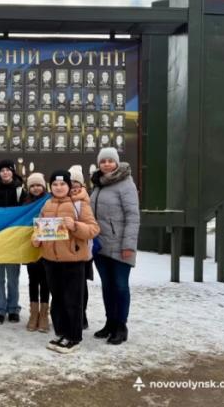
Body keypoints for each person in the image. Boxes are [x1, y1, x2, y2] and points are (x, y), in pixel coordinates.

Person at [32, 170, 99, 354]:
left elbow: (93, 229)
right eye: (55, 184)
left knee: (73, 300)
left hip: (74, 261)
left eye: (62, 184)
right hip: (50, 261)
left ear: (69, 186)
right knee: (58, 300)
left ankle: (74, 337)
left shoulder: (79, 205)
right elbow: (41, 228)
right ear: (50, 187)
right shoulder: (46, 204)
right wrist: (36, 238)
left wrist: (75, 226)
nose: (59, 187)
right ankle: (61, 333)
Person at [90, 148, 139, 345]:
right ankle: (110, 322)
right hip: (101, 246)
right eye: (103, 161)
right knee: (107, 286)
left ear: (117, 163)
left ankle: (121, 325)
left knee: (120, 286)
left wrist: (128, 245)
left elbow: (133, 217)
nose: (107, 164)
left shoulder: (126, 184)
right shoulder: (98, 185)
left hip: (120, 246)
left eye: (111, 161)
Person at [0, 160, 27, 324]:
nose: (5, 173)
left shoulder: (20, 192)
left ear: (13, 172)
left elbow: (26, 213)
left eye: (8, 170)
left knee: (12, 277)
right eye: (2, 170)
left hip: (14, 241)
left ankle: (13, 309)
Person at [68, 165, 94, 330]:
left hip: (82, 249)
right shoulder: (60, 198)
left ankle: (81, 315)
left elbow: (92, 228)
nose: (73, 186)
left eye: (76, 182)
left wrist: (75, 226)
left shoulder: (85, 201)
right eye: (70, 182)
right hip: (64, 250)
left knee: (80, 285)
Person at [24, 172, 50, 333]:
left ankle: (44, 314)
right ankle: (33, 314)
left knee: (46, 281)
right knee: (33, 280)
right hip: (30, 246)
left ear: (44, 186)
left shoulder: (50, 201)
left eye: (38, 185)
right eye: (32, 185)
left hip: (47, 247)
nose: (35, 188)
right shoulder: (24, 203)